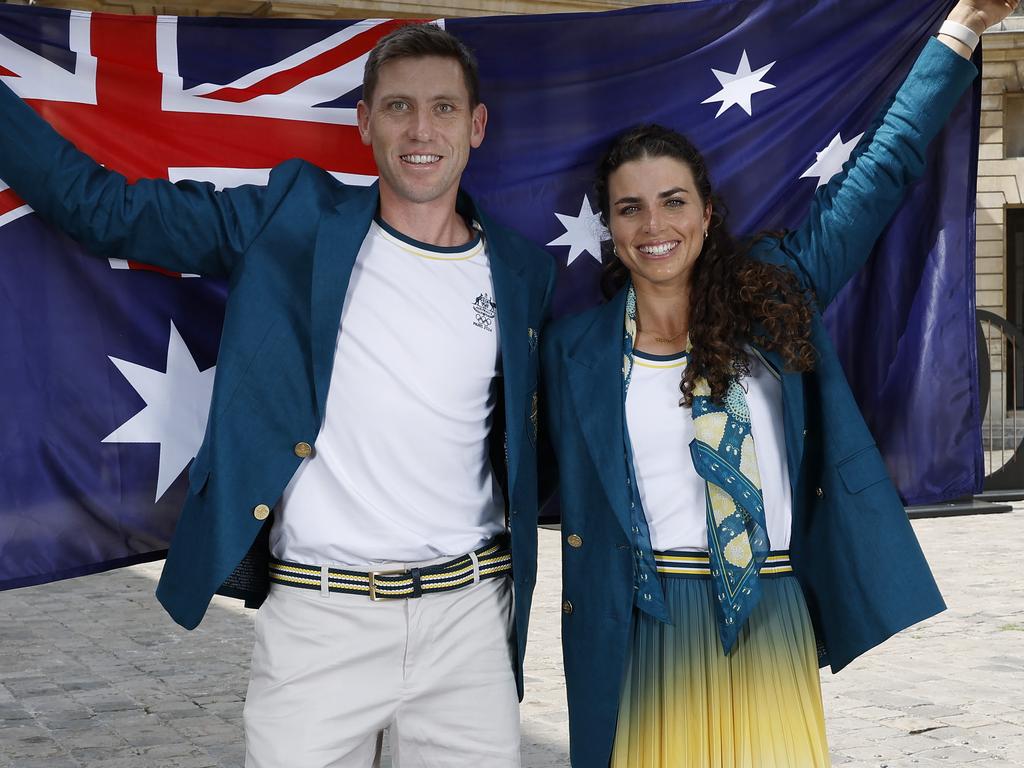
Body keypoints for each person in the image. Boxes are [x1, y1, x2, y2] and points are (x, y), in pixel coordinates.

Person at [0, 23, 554, 768]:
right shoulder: (289, 220)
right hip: (322, 618)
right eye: (397, 107)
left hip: (471, 620)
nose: (421, 129)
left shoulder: (522, 271)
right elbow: (104, 210)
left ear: (476, 125)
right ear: (363, 122)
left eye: (444, 108)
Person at [540, 2, 1017, 766]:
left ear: (706, 212)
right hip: (642, 624)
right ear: (610, 226)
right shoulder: (574, 352)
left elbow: (883, 172)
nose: (653, 224)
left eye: (673, 201)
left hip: (770, 614)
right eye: (629, 208)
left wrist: (961, 28)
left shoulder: (776, 296)